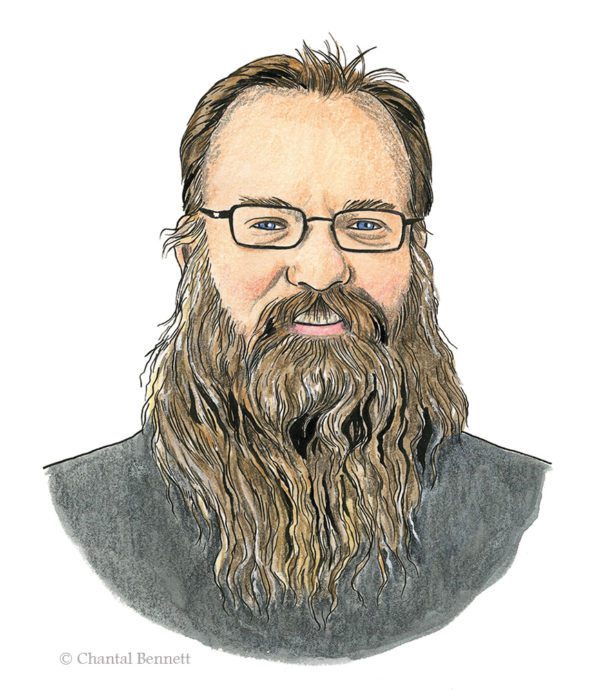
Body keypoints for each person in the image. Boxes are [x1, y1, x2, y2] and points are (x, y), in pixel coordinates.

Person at [45, 42, 548, 662]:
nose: (320, 270)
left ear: (415, 258)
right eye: (266, 224)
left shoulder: (524, 506)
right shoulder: (78, 508)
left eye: (366, 226)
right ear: (192, 254)